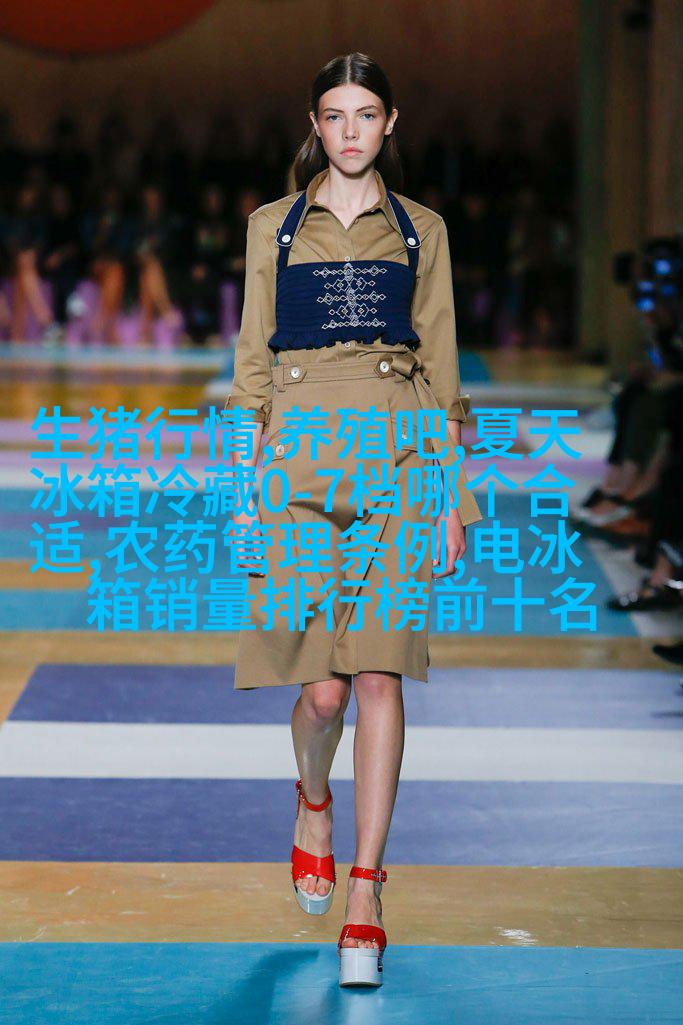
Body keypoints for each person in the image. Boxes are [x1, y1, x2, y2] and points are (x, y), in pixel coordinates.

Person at [224, 52, 482, 988]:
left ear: (389, 122)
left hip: (399, 457)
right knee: (323, 695)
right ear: (314, 124)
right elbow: (252, 366)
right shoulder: (272, 227)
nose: (349, 131)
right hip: (296, 462)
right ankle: (312, 797)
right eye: (334, 115)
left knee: (378, 674)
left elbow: (442, 365)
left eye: (365, 114)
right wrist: (242, 484)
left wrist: (450, 492)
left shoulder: (421, 231)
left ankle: (366, 894)